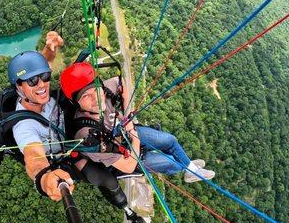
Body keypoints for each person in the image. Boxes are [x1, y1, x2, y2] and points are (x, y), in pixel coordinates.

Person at [7, 34, 159, 223]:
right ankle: (128, 210)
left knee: (91, 97)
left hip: (70, 122)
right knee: (105, 178)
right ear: (19, 87)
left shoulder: (40, 92)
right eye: (32, 80)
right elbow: (33, 157)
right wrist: (43, 178)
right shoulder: (25, 127)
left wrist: (50, 49)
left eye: (44, 76)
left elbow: (41, 68)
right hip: (66, 157)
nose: (41, 84)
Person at [59, 62, 216, 183]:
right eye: (86, 96)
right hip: (125, 157)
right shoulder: (86, 135)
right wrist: (134, 137)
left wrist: (128, 115)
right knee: (172, 163)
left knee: (170, 140)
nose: (96, 99)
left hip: (125, 131)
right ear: (76, 103)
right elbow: (127, 166)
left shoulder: (107, 89)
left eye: (96, 89)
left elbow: (122, 84)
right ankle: (184, 167)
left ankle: (189, 167)